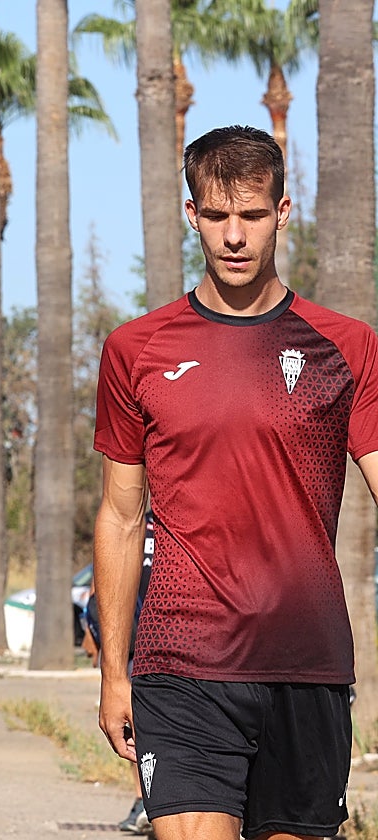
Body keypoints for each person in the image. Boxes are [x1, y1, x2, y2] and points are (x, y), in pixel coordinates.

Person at [94, 125, 378, 840]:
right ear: (192, 215)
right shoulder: (138, 349)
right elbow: (122, 518)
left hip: (307, 661)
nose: (234, 236)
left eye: (252, 215)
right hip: (183, 657)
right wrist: (111, 674)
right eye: (216, 216)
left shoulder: (346, 346)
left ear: (282, 213)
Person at [84, 511, 155, 835]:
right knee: (134, 724)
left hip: (175, 639)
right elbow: (104, 575)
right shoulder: (134, 519)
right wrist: (94, 632)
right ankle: (142, 799)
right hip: (132, 642)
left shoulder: (181, 518)